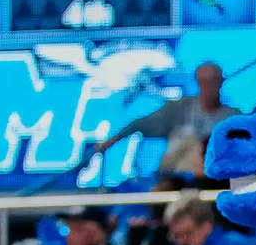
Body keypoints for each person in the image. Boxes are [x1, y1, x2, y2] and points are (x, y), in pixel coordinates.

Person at [95, 62, 238, 176]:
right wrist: (112, 140)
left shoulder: (234, 118)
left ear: (221, 83)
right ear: (197, 82)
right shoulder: (180, 108)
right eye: (204, 81)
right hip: (176, 178)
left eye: (214, 81)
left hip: (218, 179)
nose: (210, 87)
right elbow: (140, 124)